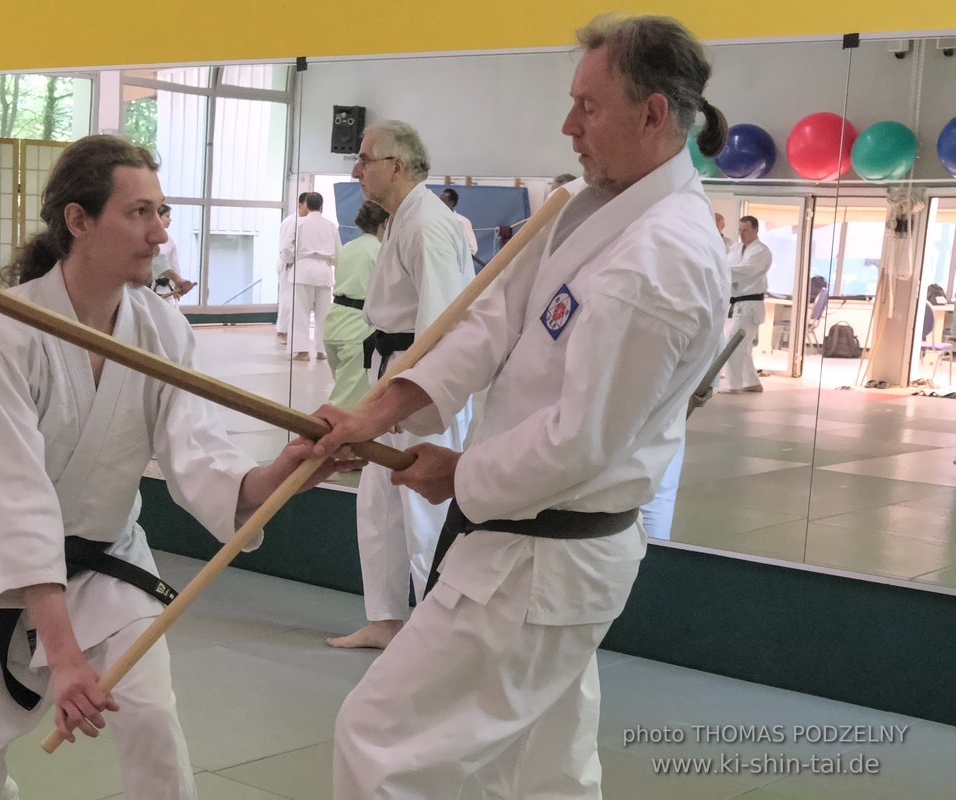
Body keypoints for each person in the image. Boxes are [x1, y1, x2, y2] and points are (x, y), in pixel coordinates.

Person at [312, 13, 729, 797]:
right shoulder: (580, 205)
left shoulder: (661, 260)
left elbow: (581, 443)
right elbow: (486, 324)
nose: (567, 125)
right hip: (536, 557)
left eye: (589, 107)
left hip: (539, 559)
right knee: (549, 774)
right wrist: (377, 413)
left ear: (653, 115)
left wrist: (459, 474)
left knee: (378, 743)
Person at [0, 135, 343, 800]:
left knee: (151, 721)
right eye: (140, 213)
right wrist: (61, 655)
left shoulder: (161, 328)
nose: (159, 233)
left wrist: (278, 475)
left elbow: (195, 450)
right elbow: (14, 495)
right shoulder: (5, 333)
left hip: (110, 563)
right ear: (79, 220)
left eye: (162, 211)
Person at [325, 119, 475, 651]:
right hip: (391, 363)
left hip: (419, 379)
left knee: (420, 505)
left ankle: (435, 629)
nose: (356, 168)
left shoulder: (429, 223)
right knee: (379, 502)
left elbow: (441, 320)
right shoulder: (399, 221)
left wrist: (405, 391)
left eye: (366, 158)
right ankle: (387, 619)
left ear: (398, 165)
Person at [324, 200, 388, 407]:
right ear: (385, 223)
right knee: (347, 403)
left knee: (346, 393)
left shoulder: (348, 247)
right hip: (358, 330)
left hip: (334, 323)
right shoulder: (380, 250)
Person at [282, 191, 341, 361]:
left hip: (302, 269)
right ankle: (322, 351)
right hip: (324, 271)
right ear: (322, 206)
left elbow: (286, 247)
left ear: (306, 205)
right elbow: (339, 251)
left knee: (300, 313)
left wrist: (291, 260)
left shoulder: (299, 224)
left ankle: (302, 351)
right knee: (323, 314)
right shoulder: (330, 226)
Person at [721, 215, 773, 393]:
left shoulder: (761, 251)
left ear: (756, 230)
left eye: (746, 231)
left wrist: (721, 271)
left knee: (733, 345)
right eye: (740, 231)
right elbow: (726, 264)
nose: (742, 234)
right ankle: (751, 383)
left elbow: (747, 270)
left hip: (750, 304)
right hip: (737, 304)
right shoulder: (735, 248)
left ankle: (733, 385)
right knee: (743, 347)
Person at [274, 193, 308, 344]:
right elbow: (286, 247)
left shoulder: (305, 222)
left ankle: (293, 331)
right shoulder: (291, 221)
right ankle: (282, 332)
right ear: (300, 204)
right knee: (287, 298)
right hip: (289, 264)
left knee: (297, 300)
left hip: (300, 266)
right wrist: (293, 261)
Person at [150, 204, 196, 301]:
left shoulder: (169, 241)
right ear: (157, 217)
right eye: (167, 216)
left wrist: (177, 282)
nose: (170, 220)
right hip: (147, 289)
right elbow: (157, 261)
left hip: (166, 289)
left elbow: (172, 264)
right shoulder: (144, 239)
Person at [440, 187, 479, 256]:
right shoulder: (437, 220)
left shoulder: (462, 221)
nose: (439, 204)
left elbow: (472, 249)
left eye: (442, 201)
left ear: (451, 202)